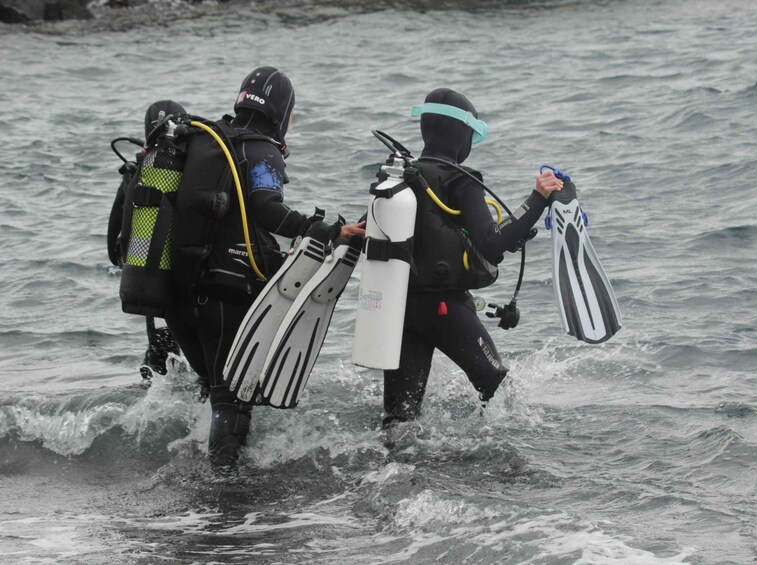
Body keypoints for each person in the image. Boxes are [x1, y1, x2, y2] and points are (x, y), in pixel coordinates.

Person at [163, 66, 365, 466]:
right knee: (232, 397)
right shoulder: (261, 149)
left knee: (213, 384)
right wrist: (325, 231)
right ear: (282, 111)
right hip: (224, 291)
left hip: (181, 288)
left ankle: (196, 471)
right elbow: (265, 208)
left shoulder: (209, 141)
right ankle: (225, 492)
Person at [382, 88, 563, 428]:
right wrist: (538, 199)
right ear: (462, 135)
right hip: (446, 308)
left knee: (400, 417)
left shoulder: (400, 177)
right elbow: (492, 243)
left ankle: (391, 473)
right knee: (500, 389)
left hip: (401, 309)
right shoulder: (462, 181)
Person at [107, 100, 183, 385]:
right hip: (188, 277)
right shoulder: (190, 167)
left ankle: (152, 388)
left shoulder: (136, 171)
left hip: (148, 276)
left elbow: (114, 236)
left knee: (159, 353)